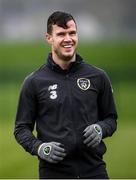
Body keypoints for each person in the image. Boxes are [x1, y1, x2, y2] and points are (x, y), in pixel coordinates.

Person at [14, 11, 118, 179]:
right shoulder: (33, 82)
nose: (68, 39)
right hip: (53, 174)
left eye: (72, 33)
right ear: (49, 38)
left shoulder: (98, 77)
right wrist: (40, 148)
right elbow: (21, 129)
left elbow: (111, 119)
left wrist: (101, 128)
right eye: (61, 34)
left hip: (95, 171)